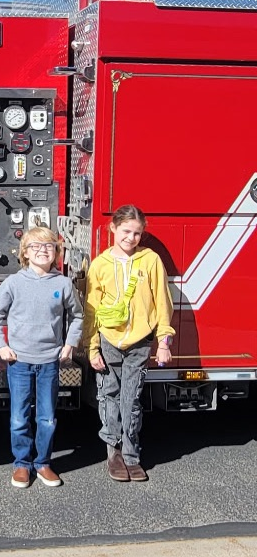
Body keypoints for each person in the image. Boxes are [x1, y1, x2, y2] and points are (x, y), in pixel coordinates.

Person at [83, 204, 175, 482]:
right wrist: (91, 346)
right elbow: (91, 309)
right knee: (109, 396)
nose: (131, 238)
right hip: (108, 341)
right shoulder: (99, 264)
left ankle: (132, 454)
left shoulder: (150, 260)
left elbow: (163, 302)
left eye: (137, 233)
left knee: (131, 399)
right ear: (113, 228)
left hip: (139, 343)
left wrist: (164, 341)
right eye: (126, 231)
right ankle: (113, 452)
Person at [0, 227, 83, 489]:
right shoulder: (13, 283)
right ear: (25, 253)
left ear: (56, 252)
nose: (42, 250)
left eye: (48, 246)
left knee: (47, 418)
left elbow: (77, 316)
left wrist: (70, 344)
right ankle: (22, 463)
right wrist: (1, 345)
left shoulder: (63, 284)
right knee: (19, 417)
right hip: (18, 361)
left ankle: (43, 463)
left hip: (49, 363)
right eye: (35, 246)